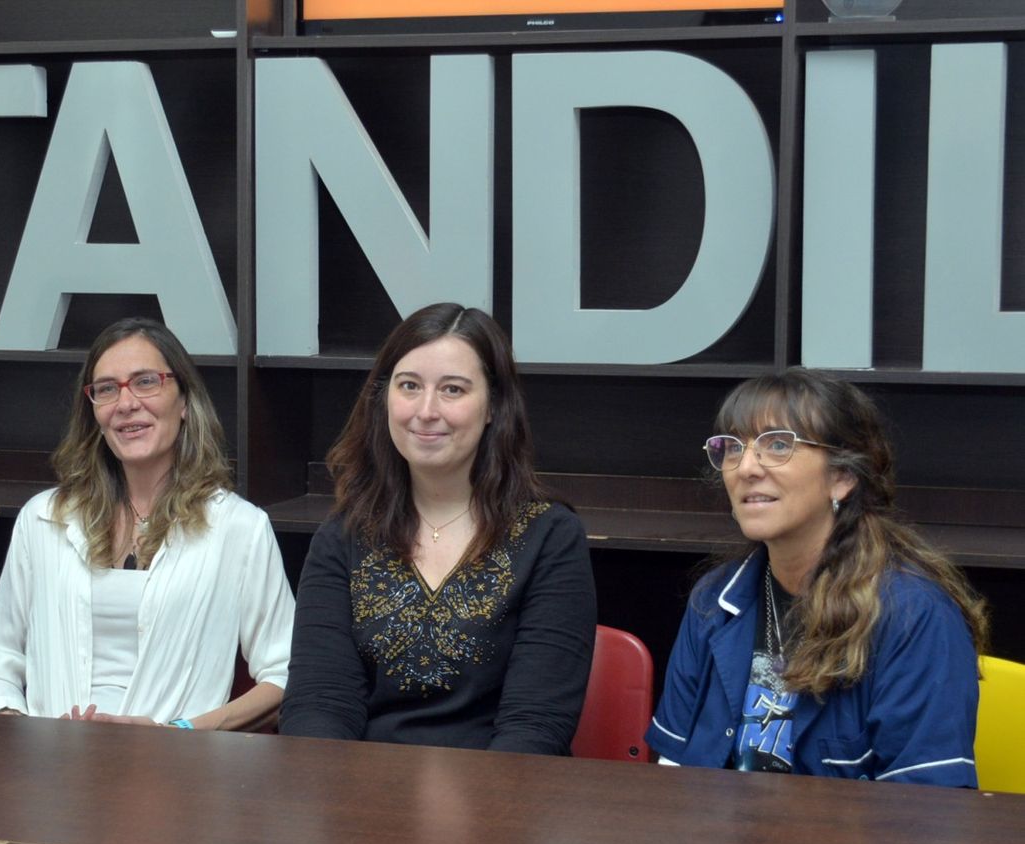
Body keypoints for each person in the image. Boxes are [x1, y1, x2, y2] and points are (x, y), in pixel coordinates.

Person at [279, 303, 596, 752]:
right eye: (409, 386)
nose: (426, 411)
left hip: (503, 799)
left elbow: (535, 725)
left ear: (493, 408)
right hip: (360, 796)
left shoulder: (549, 537)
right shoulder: (343, 537)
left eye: (453, 389)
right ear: (384, 398)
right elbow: (320, 704)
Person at [647, 368, 987, 784]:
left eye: (776, 445)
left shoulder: (915, 615)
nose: (746, 467)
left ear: (842, 476)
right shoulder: (714, 599)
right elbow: (672, 772)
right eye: (732, 448)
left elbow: (926, 814)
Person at [0, 317, 294, 728]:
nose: (126, 403)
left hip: (176, 776)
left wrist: (180, 733)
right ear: (94, 412)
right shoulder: (44, 519)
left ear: (185, 401)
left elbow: (286, 675)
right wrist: (21, 729)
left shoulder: (240, 528)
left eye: (146, 381)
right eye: (106, 389)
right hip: (53, 773)